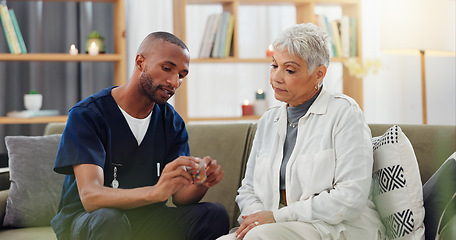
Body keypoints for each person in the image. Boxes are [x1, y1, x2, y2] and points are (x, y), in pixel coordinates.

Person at [51, 31, 229, 240]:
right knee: (109, 218)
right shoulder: (88, 115)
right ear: (140, 62)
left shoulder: (172, 123)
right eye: (167, 68)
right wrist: (156, 192)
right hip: (88, 220)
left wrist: (201, 183)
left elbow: (180, 197)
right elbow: (91, 196)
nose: (174, 82)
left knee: (214, 214)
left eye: (181, 75)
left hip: (146, 219)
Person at [217, 23, 385, 240]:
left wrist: (278, 217)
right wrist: (256, 218)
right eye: (274, 65)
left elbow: (350, 196)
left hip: (333, 226)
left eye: (289, 70)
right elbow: (248, 189)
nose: (276, 77)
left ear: (319, 74)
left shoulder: (345, 113)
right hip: (276, 226)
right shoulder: (269, 119)